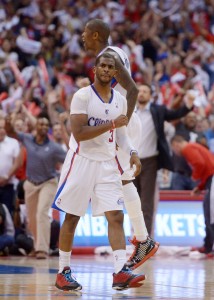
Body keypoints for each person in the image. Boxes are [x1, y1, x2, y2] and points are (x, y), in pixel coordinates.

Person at [53, 53, 146, 291]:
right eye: (102, 65)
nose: (106, 69)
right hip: (82, 161)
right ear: (94, 69)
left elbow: (121, 135)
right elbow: (80, 133)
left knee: (116, 216)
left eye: (110, 67)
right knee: (72, 217)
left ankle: (119, 272)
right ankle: (63, 271)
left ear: (116, 73)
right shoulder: (82, 96)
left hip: (107, 163)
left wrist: (133, 152)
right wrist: (111, 125)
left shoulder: (120, 101)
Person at [82, 18, 159, 271]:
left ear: (95, 35)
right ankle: (142, 238)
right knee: (124, 179)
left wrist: (123, 123)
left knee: (123, 180)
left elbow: (134, 90)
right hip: (123, 120)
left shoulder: (110, 56)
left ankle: (143, 239)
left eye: (85, 33)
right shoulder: (117, 52)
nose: (82, 37)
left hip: (123, 121)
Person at [134, 84, 195, 235]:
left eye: (145, 91)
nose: (141, 93)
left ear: (150, 95)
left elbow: (175, 114)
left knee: (146, 203)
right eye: (139, 91)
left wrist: (188, 105)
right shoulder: (129, 111)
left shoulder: (158, 110)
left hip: (149, 161)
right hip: (130, 162)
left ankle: (145, 239)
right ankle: (134, 235)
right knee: (132, 202)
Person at [6, 115, 66, 259]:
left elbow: (69, 160)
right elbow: (11, 133)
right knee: (31, 219)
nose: (44, 127)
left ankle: (42, 250)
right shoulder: (27, 139)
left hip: (48, 182)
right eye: (41, 124)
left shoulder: (54, 147)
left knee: (42, 213)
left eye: (46, 125)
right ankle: (36, 246)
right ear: (36, 127)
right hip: (31, 183)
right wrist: (8, 123)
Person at [171, 135, 214, 257]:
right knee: (208, 211)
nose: (175, 152)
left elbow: (199, 164)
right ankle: (207, 246)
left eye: (173, 149)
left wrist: (195, 177)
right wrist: (200, 187)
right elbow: (207, 167)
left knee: (211, 215)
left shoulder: (187, 148)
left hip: (212, 179)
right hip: (210, 180)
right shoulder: (194, 147)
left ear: (176, 144)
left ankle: (210, 247)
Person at [0, 116, 22, 215]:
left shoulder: (13, 142)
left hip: (8, 184)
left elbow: (17, 163)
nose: (1, 130)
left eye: (3, 128)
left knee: (8, 213)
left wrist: (6, 177)